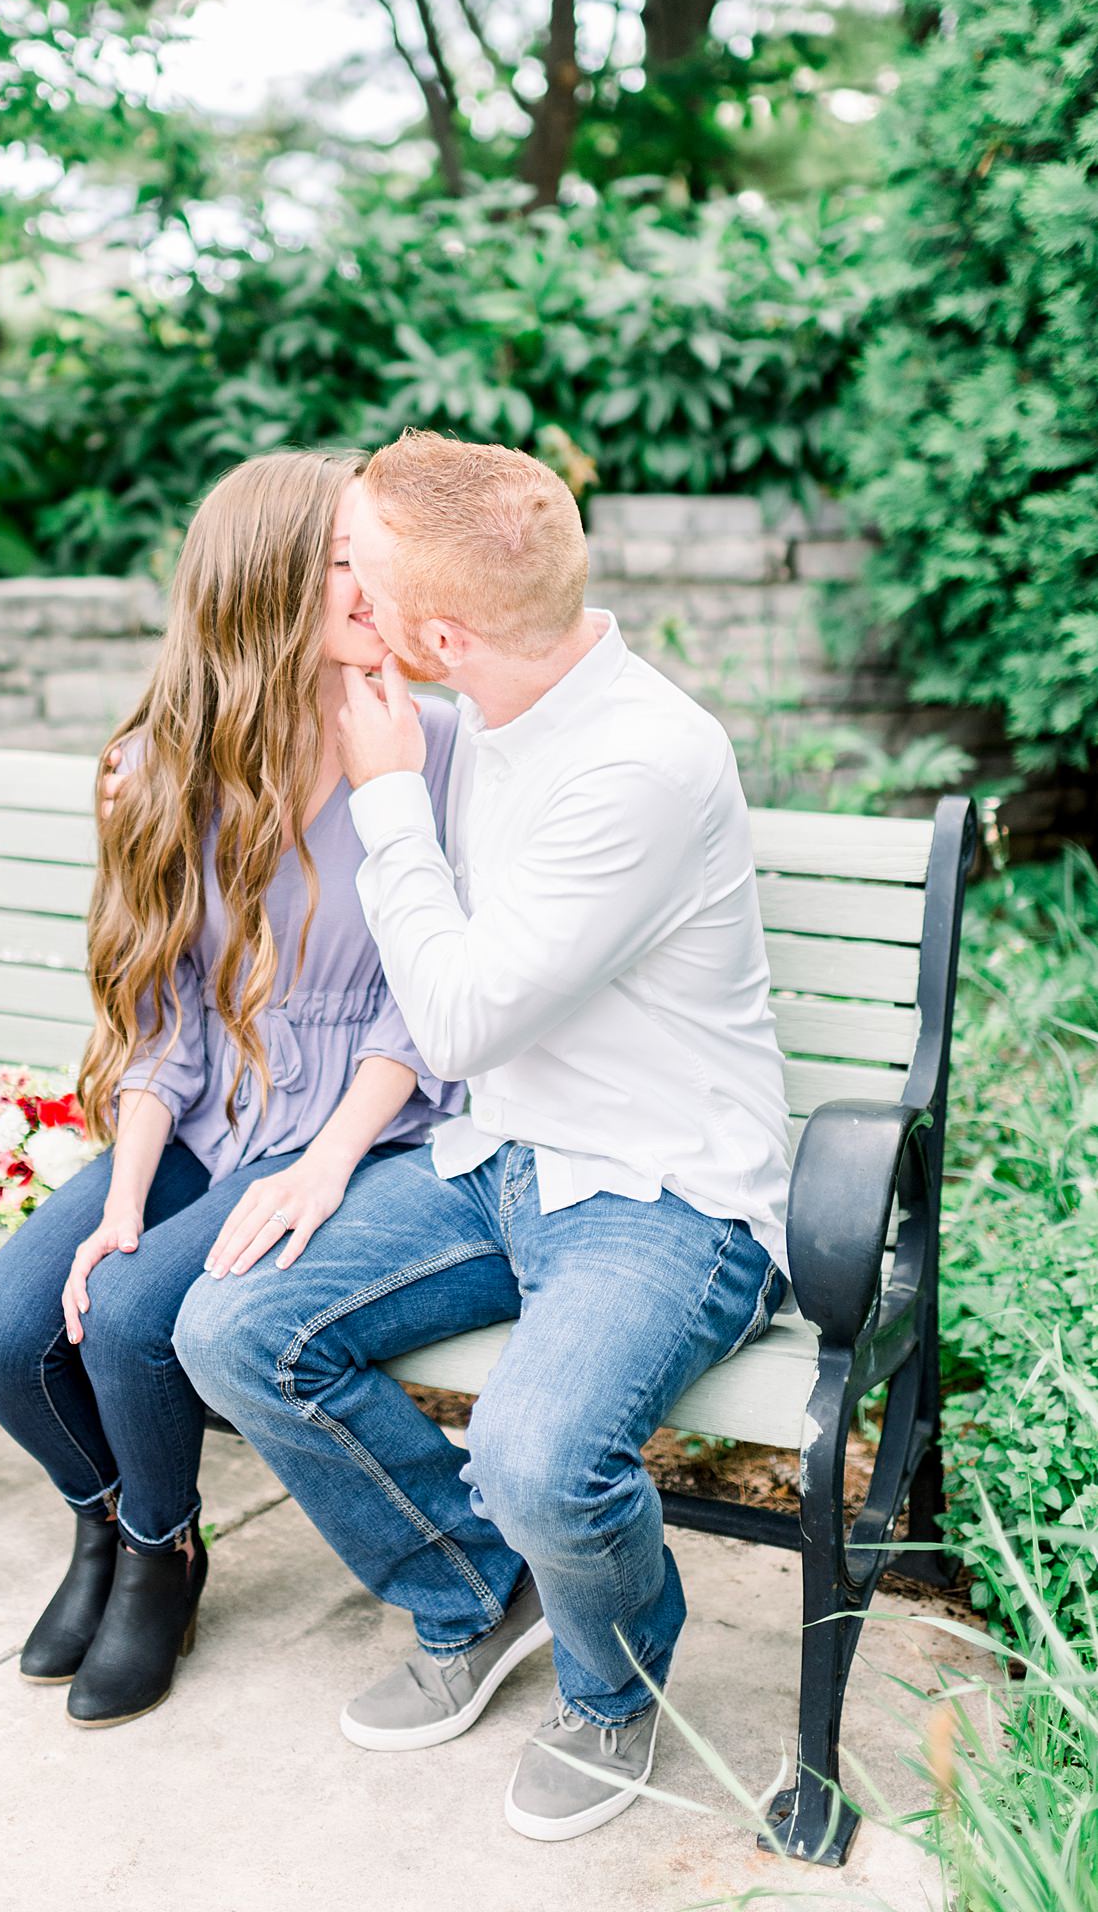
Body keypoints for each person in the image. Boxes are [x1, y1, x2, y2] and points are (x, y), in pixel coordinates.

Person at [173, 431, 792, 1843]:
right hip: (500, 1161)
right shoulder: (493, 699)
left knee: (533, 1452)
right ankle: (467, 1588)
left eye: (359, 576)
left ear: (437, 634)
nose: (340, 593)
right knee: (232, 1327)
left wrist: (387, 790)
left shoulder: (639, 759)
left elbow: (451, 1023)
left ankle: (612, 1683)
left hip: (661, 1194)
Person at [0, 449, 464, 1729]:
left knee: (129, 1319)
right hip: (210, 1111)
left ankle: (160, 1558)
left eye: (380, 555)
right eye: (347, 559)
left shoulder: (431, 742)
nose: (377, 583)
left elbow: (432, 999)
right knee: (7, 1329)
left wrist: (326, 1163)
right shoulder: (160, 763)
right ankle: (119, 1528)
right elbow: (156, 1005)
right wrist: (126, 1190)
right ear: (268, 585)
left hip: (372, 1124)